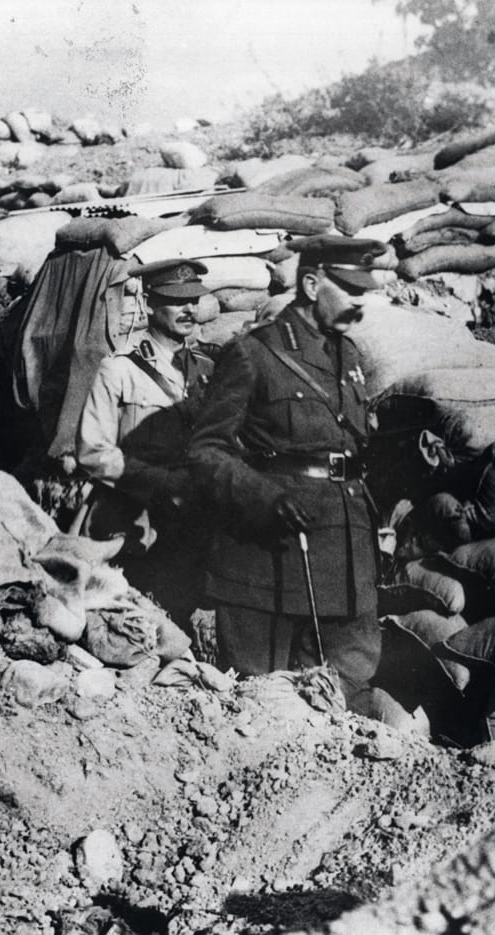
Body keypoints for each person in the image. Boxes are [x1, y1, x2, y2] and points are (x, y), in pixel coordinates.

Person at [187, 235, 387, 716]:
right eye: (349, 287)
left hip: (344, 553)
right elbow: (205, 449)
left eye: (365, 288)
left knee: (348, 692)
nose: (361, 299)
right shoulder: (255, 354)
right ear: (313, 284)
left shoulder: (353, 357)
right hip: (270, 553)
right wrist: (263, 496)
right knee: (265, 698)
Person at [75, 258, 216, 625]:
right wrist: (162, 481)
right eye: (176, 299)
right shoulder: (118, 368)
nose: (188, 309)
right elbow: (93, 452)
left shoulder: (208, 371)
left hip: (190, 518)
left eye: (193, 299)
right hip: (133, 516)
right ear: (150, 303)